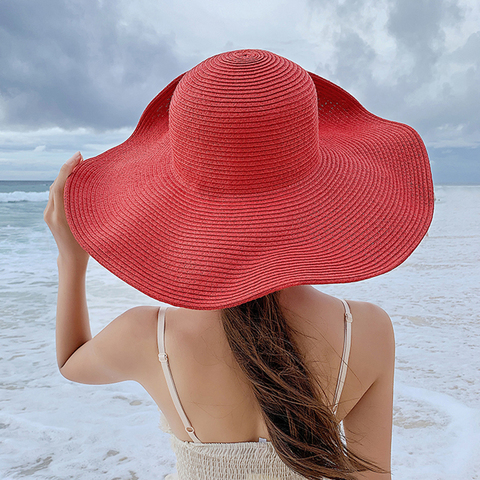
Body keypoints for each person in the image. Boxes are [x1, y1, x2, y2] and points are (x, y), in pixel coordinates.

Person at [44, 49, 434, 479]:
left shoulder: (148, 336)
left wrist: (71, 256)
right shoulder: (367, 331)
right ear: (321, 196)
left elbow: (71, 361)